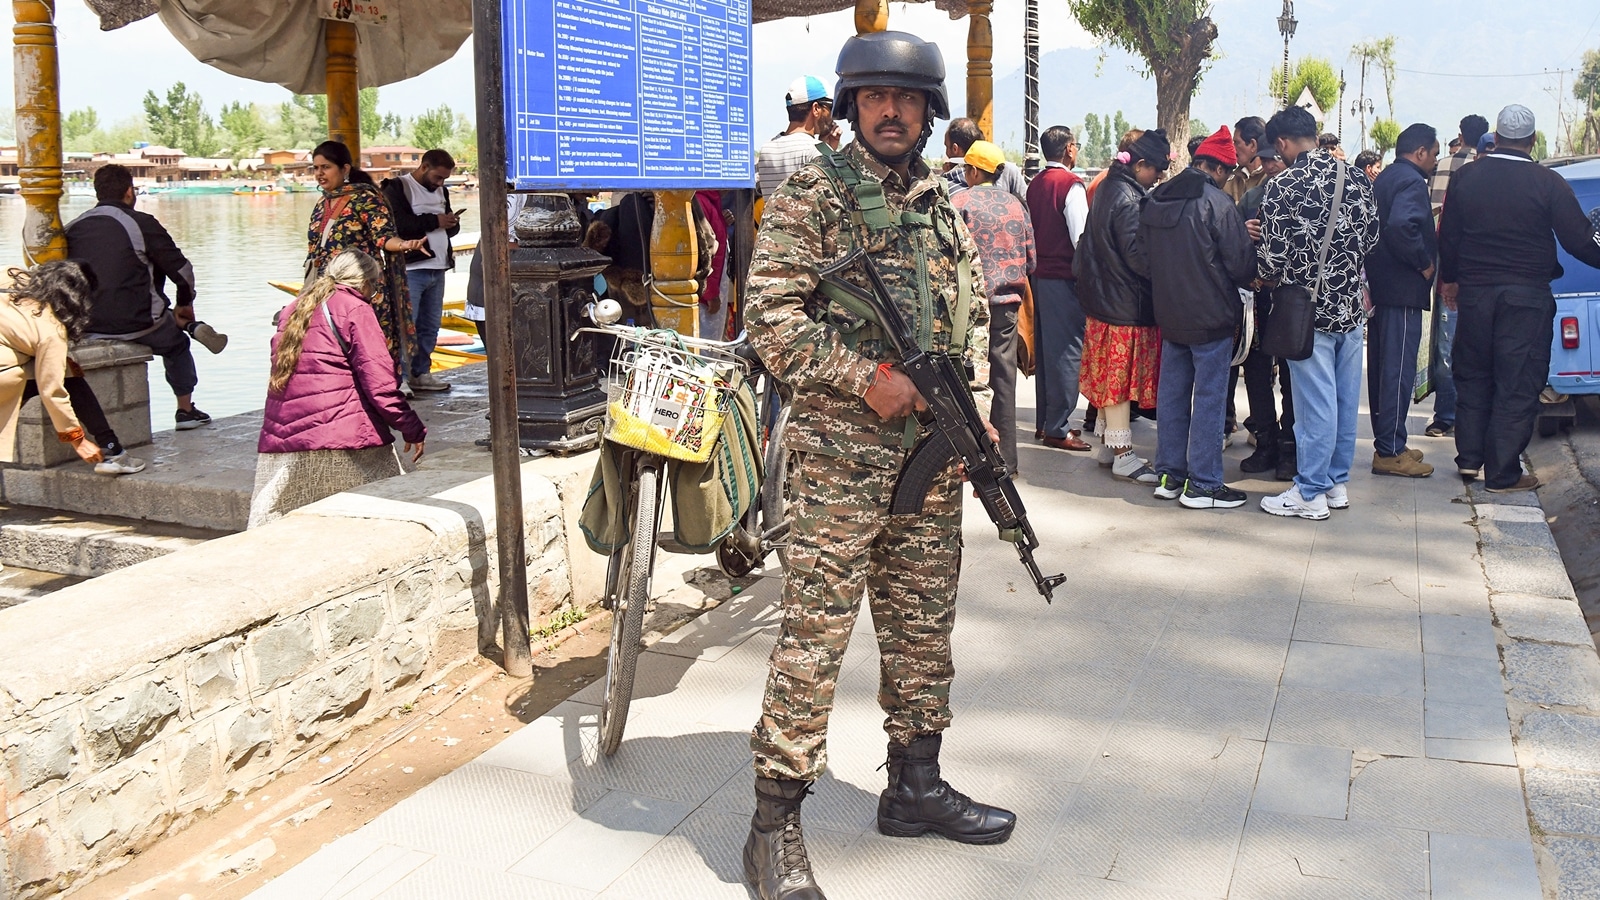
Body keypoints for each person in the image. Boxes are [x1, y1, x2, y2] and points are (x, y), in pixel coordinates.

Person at [742, 30, 1011, 900]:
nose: (890, 113)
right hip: (839, 465)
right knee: (816, 638)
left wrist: (977, 423)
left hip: (927, 467)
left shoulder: (942, 205)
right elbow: (771, 321)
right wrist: (866, 379)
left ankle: (915, 785)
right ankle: (772, 826)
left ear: (929, 113)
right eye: (873, 99)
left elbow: (964, 325)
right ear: (851, 107)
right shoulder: (814, 195)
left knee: (922, 631)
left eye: (905, 100)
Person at [1438, 104, 1600, 492]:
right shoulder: (1547, 182)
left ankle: (1469, 460)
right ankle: (1503, 473)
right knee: (1517, 380)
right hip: (1526, 297)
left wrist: (1451, 280)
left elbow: (1449, 235)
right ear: (1531, 140)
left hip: (1476, 295)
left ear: (1496, 136)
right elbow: (1579, 240)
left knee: (1474, 374)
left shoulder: (1468, 178)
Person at [1257, 106, 1380, 520]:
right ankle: (1335, 483)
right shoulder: (1358, 178)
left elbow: (1271, 260)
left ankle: (1309, 492)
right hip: (1351, 306)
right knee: (1345, 402)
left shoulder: (1284, 185)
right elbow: (1372, 238)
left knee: (1314, 406)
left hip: (1305, 314)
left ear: (1282, 144)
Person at [248, 250, 425, 528]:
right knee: (389, 512)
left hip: (284, 437)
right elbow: (380, 385)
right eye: (376, 286)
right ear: (365, 283)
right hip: (342, 435)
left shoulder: (293, 307)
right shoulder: (355, 309)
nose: (375, 293)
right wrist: (412, 429)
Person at [1140, 126, 1257, 509]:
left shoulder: (1157, 198)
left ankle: (1170, 475)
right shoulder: (1217, 203)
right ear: (1220, 170)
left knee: (1172, 395)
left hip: (1170, 314)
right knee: (1208, 398)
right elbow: (1241, 266)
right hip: (1210, 316)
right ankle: (1204, 483)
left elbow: (1143, 256)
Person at [65, 163, 225, 431]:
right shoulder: (140, 223)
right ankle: (185, 410)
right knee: (176, 345)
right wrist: (186, 303)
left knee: (157, 311)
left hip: (87, 325)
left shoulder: (72, 227)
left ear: (97, 192)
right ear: (129, 191)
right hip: (139, 323)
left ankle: (182, 323)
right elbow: (182, 271)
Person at [1075, 129, 1167, 483]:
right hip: (1123, 303)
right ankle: (1123, 455)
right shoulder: (1129, 198)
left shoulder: (1110, 188)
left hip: (1104, 298)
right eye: (1156, 170)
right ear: (1140, 164)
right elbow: (1137, 256)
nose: (1158, 177)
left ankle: (1108, 446)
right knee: (1118, 380)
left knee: (1108, 379)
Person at [1, 261, 144, 474]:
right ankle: (113, 450)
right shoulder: (51, 329)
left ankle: (113, 449)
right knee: (69, 376)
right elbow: (53, 391)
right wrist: (78, 441)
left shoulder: (10, 275)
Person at [306, 140, 428, 375]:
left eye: (326, 167)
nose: (320, 173)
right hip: (327, 289)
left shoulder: (366, 198)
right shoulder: (323, 203)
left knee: (367, 345)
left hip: (361, 287)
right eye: (316, 167)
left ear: (345, 169)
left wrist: (405, 244)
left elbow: (384, 237)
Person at [952, 139, 1035, 472]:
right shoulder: (1016, 205)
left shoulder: (958, 201)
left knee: (962, 377)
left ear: (972, 171)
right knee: (1002, 378)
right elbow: (1031, 259)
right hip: (1006, 304)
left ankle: (966, 458)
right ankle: (1005, 461)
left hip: (967, 306)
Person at [1365, 123, 1440, 479]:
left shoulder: (1386, 178)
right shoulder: (1412, 181)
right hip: (1402, 288)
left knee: (1384, 368)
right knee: (1397, 370)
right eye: (1435, 153)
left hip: (1382, 286)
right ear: (1421, 152)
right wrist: (1424, 263)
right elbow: (1401, 226)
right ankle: (1390, 451)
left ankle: (1390, 441)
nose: (1436, 160)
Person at [1028, 123, 1092, 451]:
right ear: (1069, 149)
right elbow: (1081, 238)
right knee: (1067, 351)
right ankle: (1058, 425)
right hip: (1064, 278)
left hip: (1039, 276)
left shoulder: (1035, 183)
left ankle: (1045, 421)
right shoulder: (1071, 185)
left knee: (1047, 351)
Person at [1426, 114, 1489, 439]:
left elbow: (1435, 218)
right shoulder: (1487, 170)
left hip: (1447, 269)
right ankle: (1473, 416)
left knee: (1447, 346)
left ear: (1461, 135)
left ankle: (1445, 415)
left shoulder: (1445, 165)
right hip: (1481, 272)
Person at [1237, 141, 1296, 479]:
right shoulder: (1252, 198)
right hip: (1258, 301)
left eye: (1276, 159)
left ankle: (1289, 448)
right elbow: (1232, 245)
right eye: (1267, 160)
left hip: (1290, 302)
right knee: (1258, 375)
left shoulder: (1302, 197)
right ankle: (1265, 442)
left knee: (1290, 377)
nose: (1271, 165)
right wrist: (1244, 233)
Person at [381, 148, 461, 394]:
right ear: (424, 167)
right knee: (407, 325)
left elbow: (445, 229)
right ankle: (400, 376)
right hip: (411, 268)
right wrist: (436, 220)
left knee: (430, 325)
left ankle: (421, 372)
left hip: (438, 267)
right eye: (438, 177)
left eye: (445, 179)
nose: (441, 183)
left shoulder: (441, 191)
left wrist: (450, 223)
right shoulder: (396, 188)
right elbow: (399, 226)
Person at [755, 76, 834, 200]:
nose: (832, 116)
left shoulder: (767, 149)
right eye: (830, 108)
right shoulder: (818, 151)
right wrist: (828, 150)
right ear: (816, 109)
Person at [943, 117, 1028, 202]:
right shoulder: (1007, 170)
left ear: (974, 172)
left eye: (946, 147)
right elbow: (1025, 206)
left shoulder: (947, 182)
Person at [1224, 117, 1268, 203]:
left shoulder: (1272, 178)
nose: (1233, 148)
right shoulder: (1230, 181)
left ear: (1252, 145)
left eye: (1236, 143)